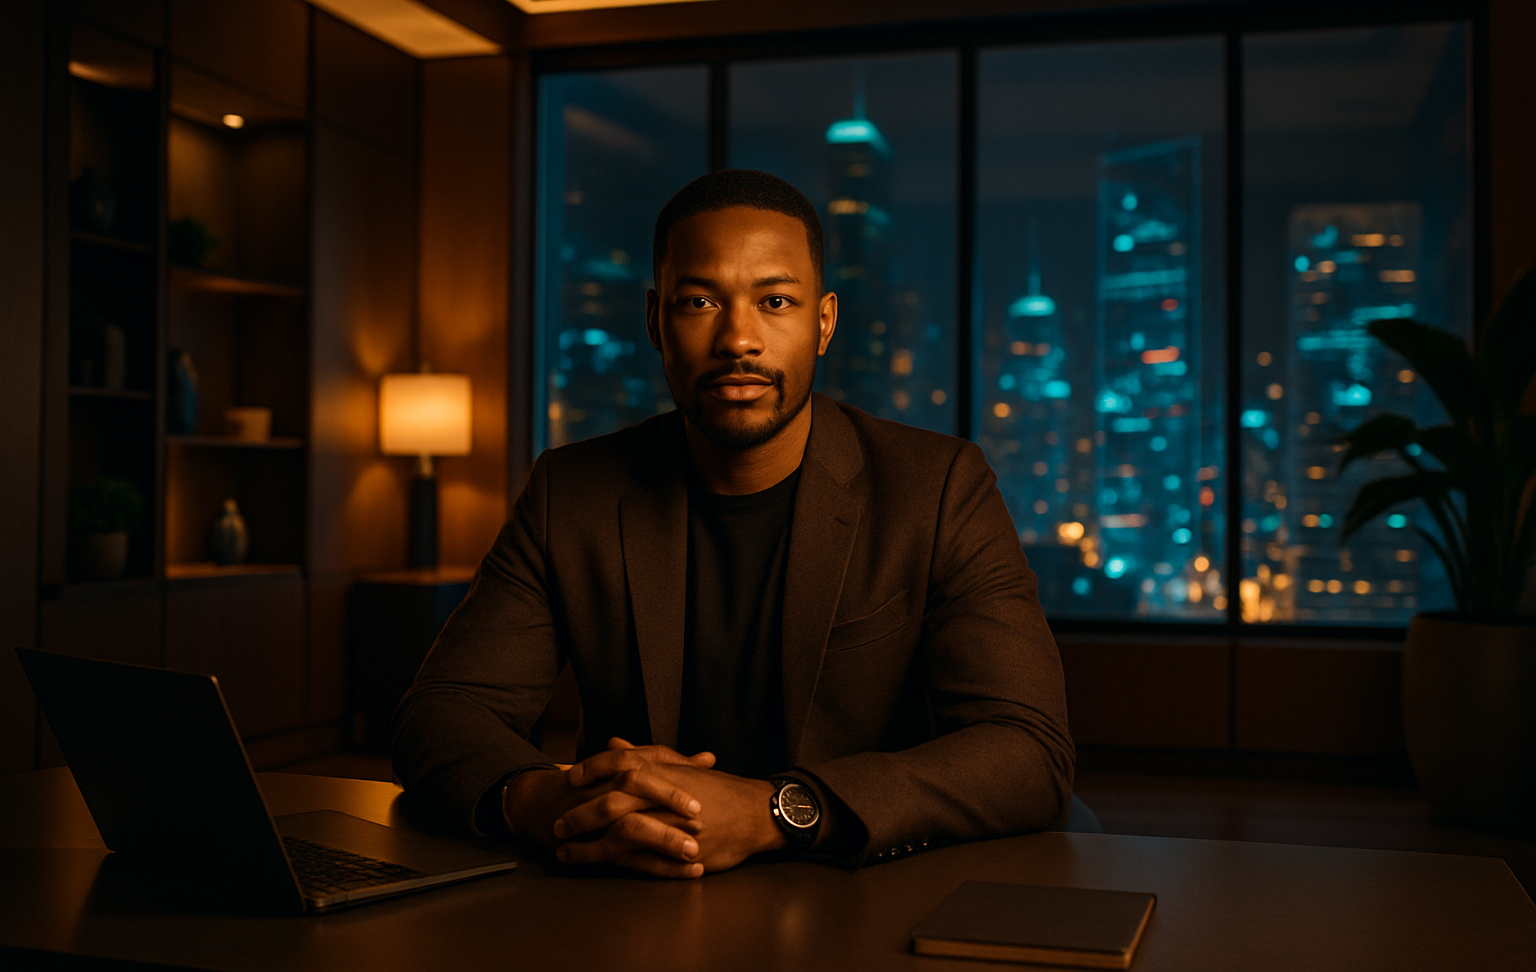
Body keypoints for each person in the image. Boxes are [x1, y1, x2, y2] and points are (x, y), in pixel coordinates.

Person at [392, 169, 1073, 879]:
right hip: (630, 891)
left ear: (823, 322)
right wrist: (550, 801)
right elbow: (441, 713)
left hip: (861, 893)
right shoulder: (574, 491)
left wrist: (776, 810)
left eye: (774, 301)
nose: (738, 338)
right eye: (699, 301)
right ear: (656, 321)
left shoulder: (937, 487)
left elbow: (1027, 748)